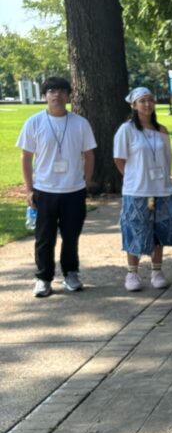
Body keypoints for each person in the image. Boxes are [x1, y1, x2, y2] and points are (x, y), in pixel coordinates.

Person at [17, 76, 97, 297]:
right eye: (51, 91)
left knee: (71, 237)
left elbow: (89, 155)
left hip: (74, 190)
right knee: (44, 238)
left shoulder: (80, 123)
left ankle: (70, 273)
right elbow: (26, 157)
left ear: (68, 95)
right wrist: (29, 189)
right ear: (45, 96)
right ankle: (43, 278)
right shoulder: (34, 122)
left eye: (62, 90)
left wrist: (86, 182)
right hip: (45, 190)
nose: (57, 95)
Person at [114, 87, 172, 291]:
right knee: (136, 228)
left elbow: (167, 159)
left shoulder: (161, 130)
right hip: (138, 192)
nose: (147, 104)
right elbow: (119, 159)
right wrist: (133, 178)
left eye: (150, 100)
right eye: (142, 101)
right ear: (134, 105)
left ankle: (157, 271)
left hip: (159, 191)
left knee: (158, 229)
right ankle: (132, 273)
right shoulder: (126, 130)